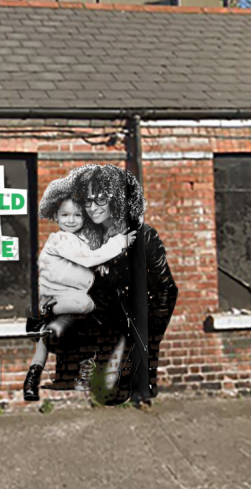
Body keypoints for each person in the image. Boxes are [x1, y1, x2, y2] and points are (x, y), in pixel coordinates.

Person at [72, 164, 180, 402]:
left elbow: (166, 289)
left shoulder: (144, 237)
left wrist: (149, 333)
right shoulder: (87, 239)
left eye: (100, 199)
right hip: (99, 332)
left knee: (117, 390)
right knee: (104, 391)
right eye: (87, 200)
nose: (92, 207)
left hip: (133, 331)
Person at [22, 178, 136, 402]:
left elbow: (85, 263)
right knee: (89, 307)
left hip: (64, 300)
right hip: (55, 297)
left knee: (56, 334)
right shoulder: (60, 239)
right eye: (65, 215)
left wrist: (99, 267)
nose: (71, 220)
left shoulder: (76, 242)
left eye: (77, 215)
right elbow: (88, 258)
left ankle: (34, 379)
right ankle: (81, 363)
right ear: (56, 218)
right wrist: (121, 242)